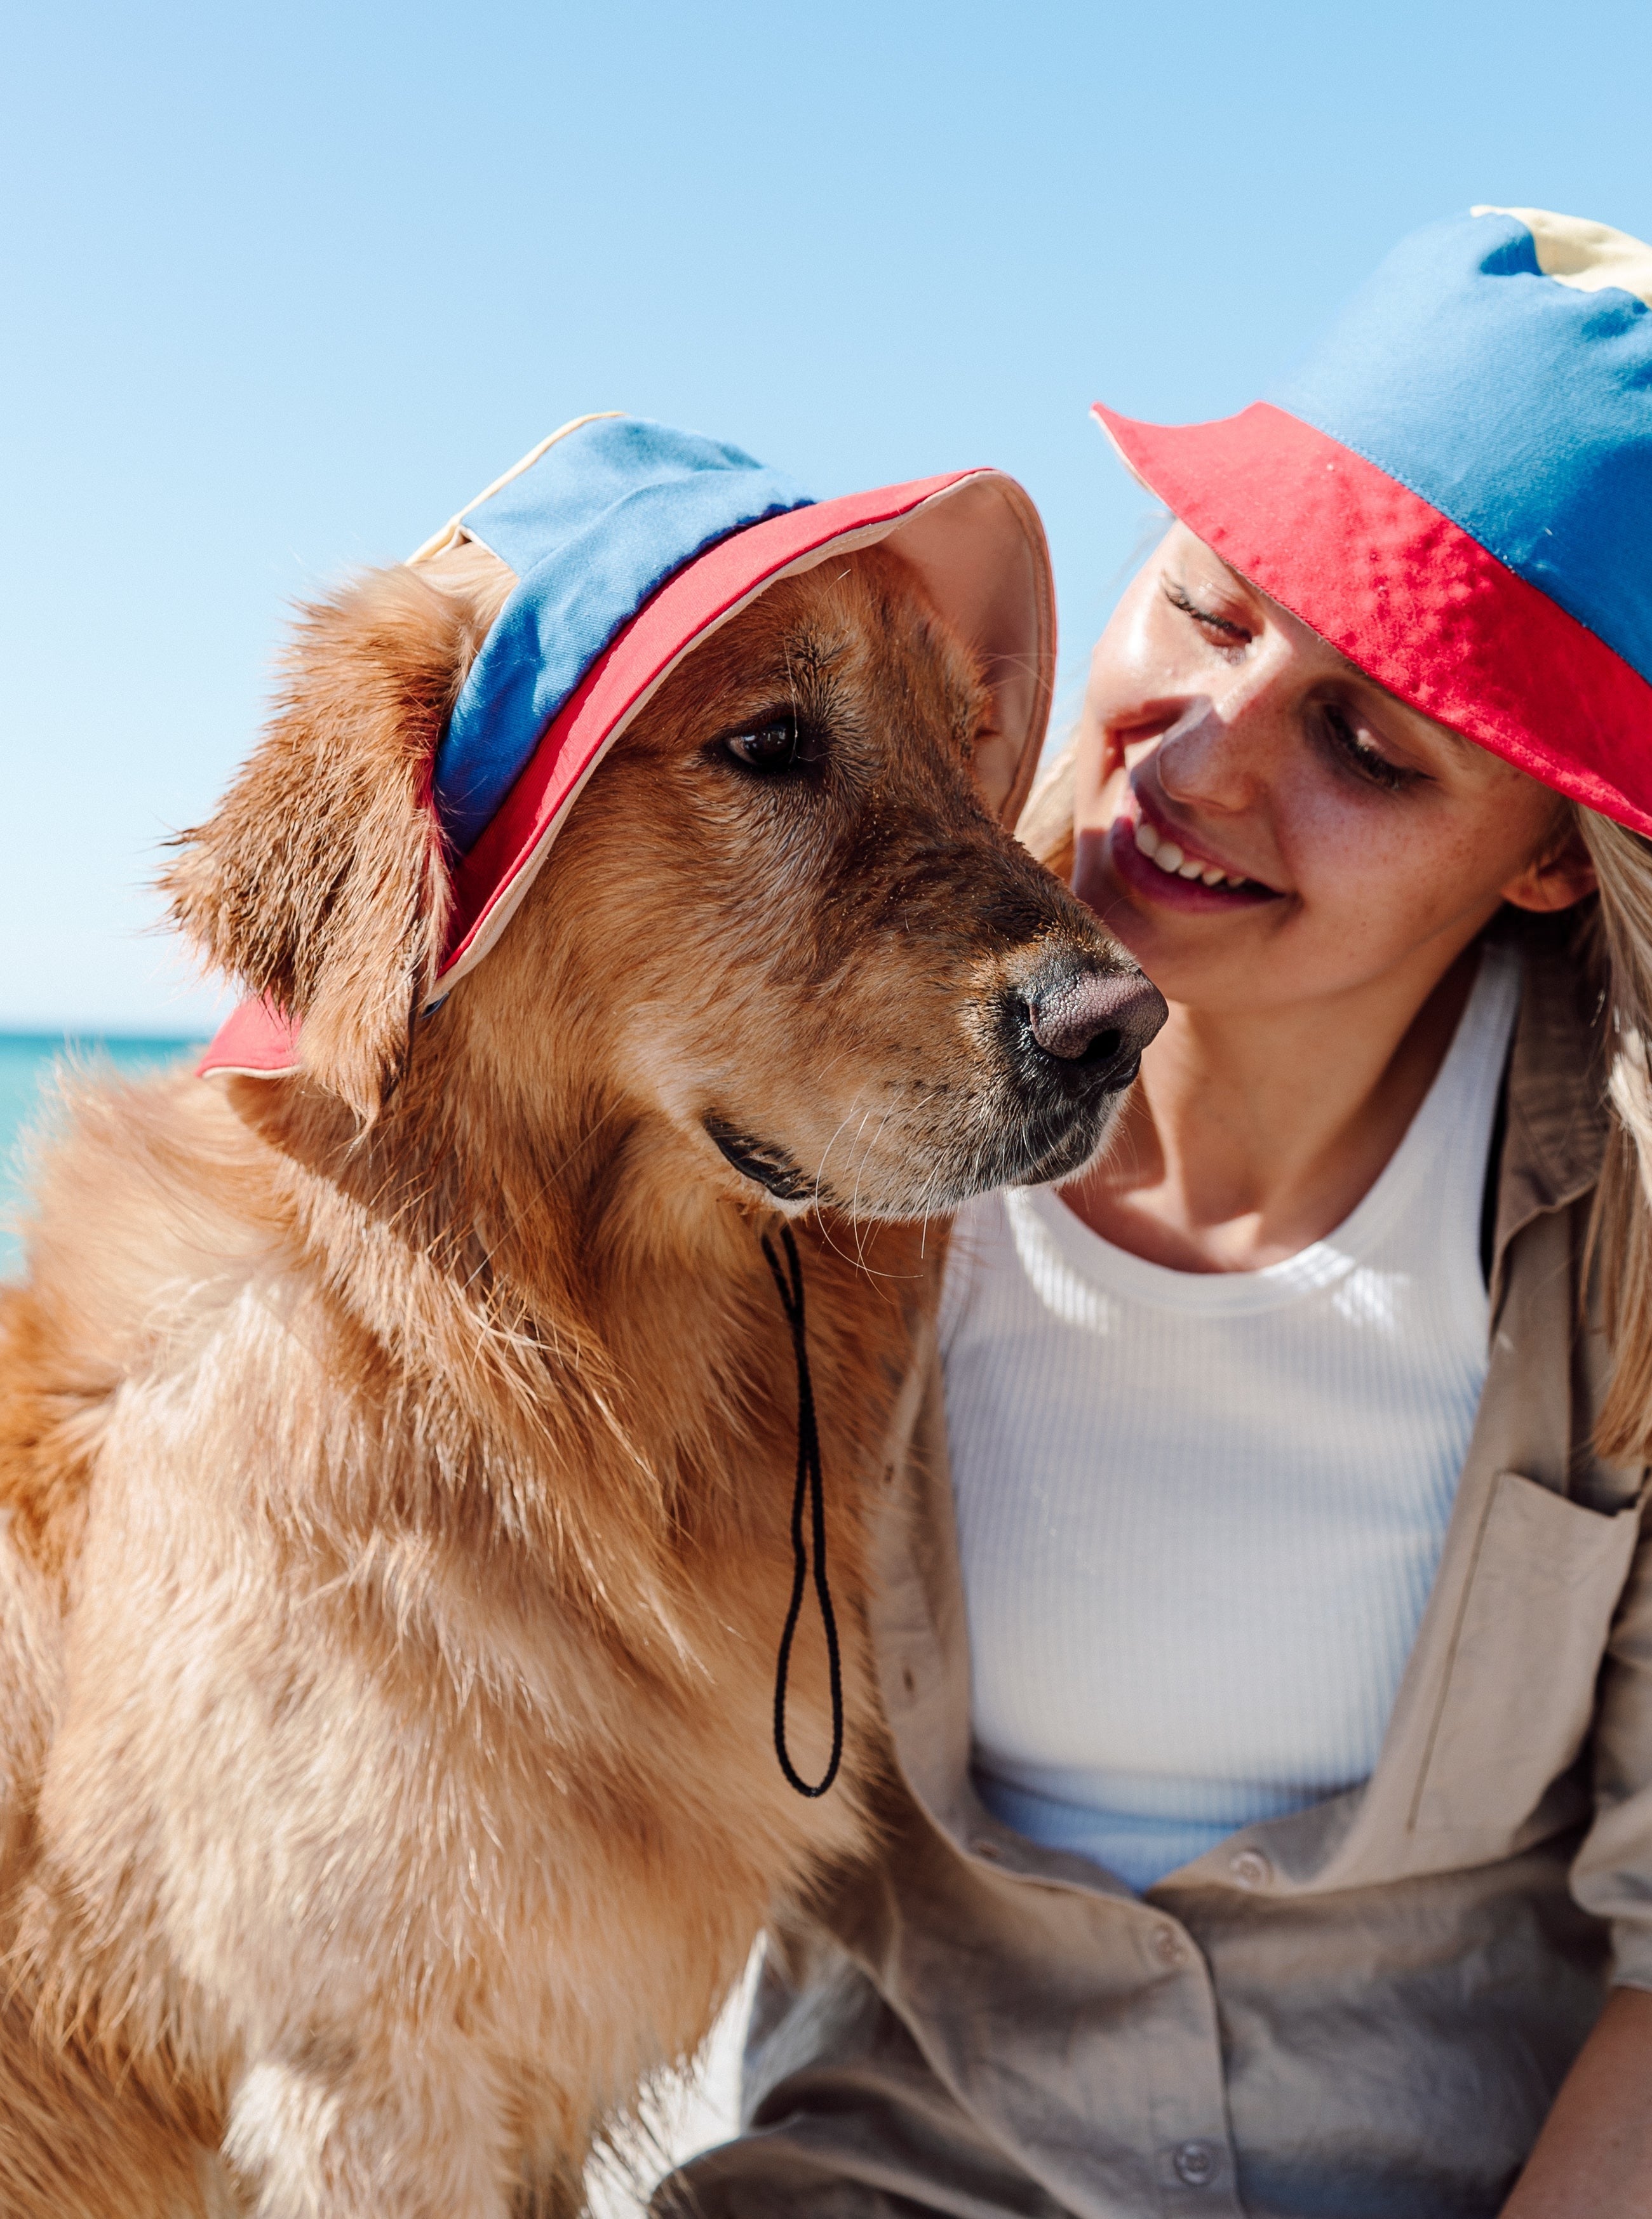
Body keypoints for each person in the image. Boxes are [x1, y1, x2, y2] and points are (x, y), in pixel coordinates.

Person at [655, 205, 1652, 2218]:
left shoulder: (1620, 1241)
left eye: (1363, 744)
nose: (1195, 759)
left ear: (1549, 858)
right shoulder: (788, 1139)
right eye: (1204, 609)